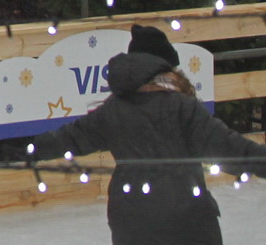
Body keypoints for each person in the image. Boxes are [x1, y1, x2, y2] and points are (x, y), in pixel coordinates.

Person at [30, 24, 266, 244]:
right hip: (186, 218)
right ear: (164, 67)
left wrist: (14, 148)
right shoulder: (182, 106)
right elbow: (227, 148)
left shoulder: (113, 109)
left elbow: (65, 139)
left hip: (131, 218)